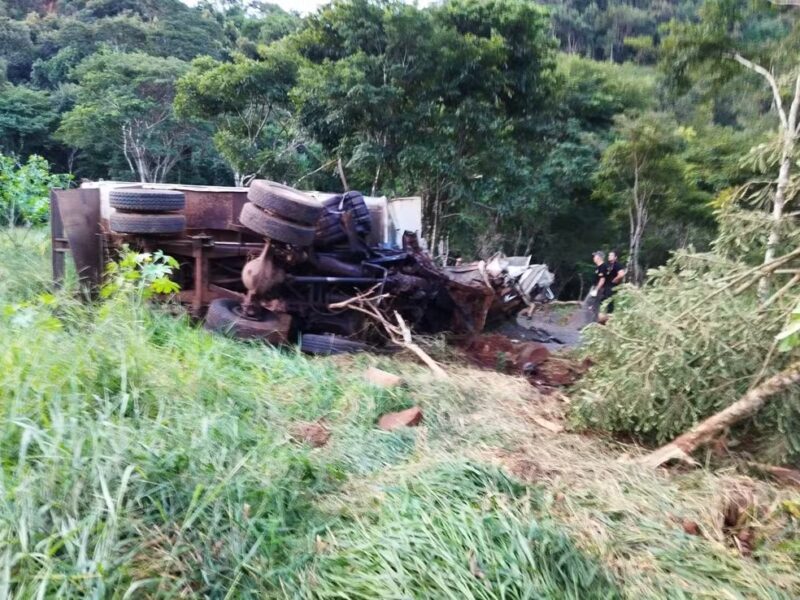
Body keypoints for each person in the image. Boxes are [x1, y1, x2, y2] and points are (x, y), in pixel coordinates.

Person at [588, 250, 609, 321]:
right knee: (595, 307)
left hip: (597, 288)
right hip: (596, 287)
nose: (593, 257)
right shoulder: (598, 267)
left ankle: (586, 323)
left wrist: (596, 290)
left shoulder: (603, 267)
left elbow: (602, 280)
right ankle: (593, 323)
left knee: (587, 305)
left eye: (595, 256)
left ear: (599, 257)